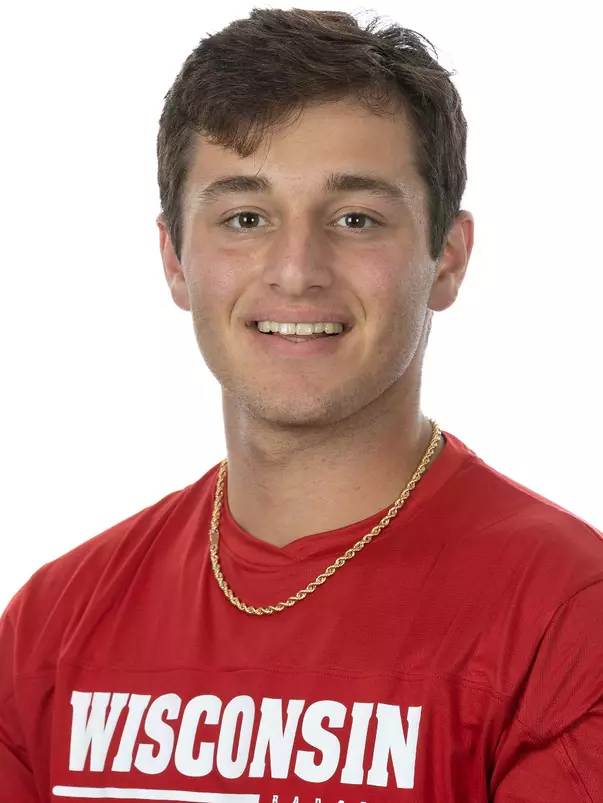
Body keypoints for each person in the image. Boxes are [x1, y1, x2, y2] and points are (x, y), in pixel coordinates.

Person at [1, 7, 602, 802]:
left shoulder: (564, 619)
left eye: (355, 219)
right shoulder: (47, 629)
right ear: (174, 259)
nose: (295, 269)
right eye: (244, 218)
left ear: (447, 259)